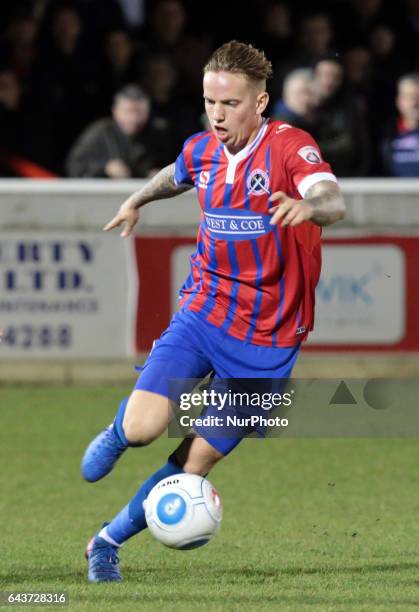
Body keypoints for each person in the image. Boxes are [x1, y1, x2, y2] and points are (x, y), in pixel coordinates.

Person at [82, 40, 345, 582]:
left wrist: (309, 206)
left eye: (231, 104)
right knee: (143, 428)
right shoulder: (202, 148)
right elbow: (174, 174)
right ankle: (119, 432)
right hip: (205, 311)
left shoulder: (290, 147)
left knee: (196, 463)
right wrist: (136, 200)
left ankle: (104, 543)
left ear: (262, 102)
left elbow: (332, 198)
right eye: (210, 103)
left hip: (269, 343)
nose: (218, 115)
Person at [66, 84, 170, 178]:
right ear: (115, 111)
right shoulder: (100, 132)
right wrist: (105, 168)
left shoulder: (158, 134)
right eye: (128, 111)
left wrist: (159, 174)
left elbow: (174, 165)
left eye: (139, 112)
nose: (133, 118)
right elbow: (74, 166)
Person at [381, 73, 419, 176]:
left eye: (417, 97)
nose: (414, 103)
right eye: (408, 97)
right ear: (398, 101)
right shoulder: (386, 134)